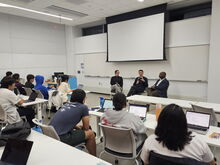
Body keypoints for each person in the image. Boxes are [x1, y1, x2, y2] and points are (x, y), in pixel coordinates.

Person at [140, 104, 216, 165]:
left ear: (160, 122)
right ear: (184, 122)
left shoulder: (150, 141)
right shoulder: (198, 143)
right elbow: (211, 163)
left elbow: (146, 162)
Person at [50, 89, 96, 156]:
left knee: (80, 129)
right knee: (91, 133)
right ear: (83, 99)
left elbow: (64, 120)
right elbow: (86, 128)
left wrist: (76, 127)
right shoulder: (83, 107)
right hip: (61, 137)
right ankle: (94, 159)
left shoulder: (66, 104)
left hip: (50, 134)